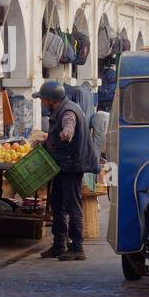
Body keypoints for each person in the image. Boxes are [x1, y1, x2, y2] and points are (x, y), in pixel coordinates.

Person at [34, 78, 99, 262]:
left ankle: (77, 247)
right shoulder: (61, 108)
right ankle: (59, 245)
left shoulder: (68, 111)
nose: (42, 102)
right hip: (63, 165)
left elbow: (69, 125)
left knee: (72, 205)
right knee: (57, 202)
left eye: (43, 99)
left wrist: (66, 133)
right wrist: (46, 142)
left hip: (72, 165)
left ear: (51, 100)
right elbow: (56, 135)